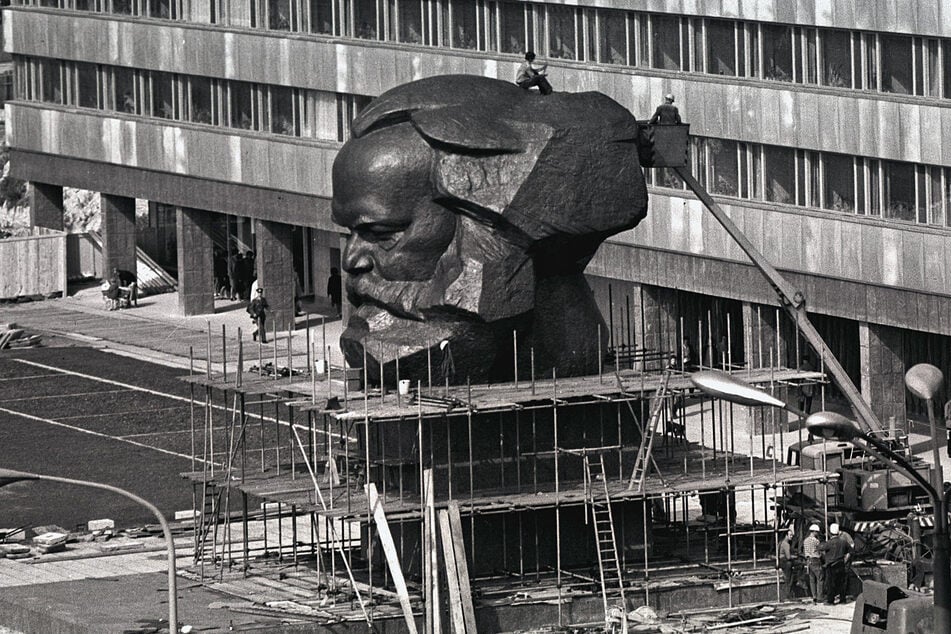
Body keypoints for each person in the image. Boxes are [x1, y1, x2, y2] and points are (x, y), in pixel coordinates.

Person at [331, 75, 647, 383]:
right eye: (351, 233)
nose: (351, 259)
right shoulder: (386, 322)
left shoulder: (496, 248)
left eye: (383, 233)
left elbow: (475, 310)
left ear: (474, 216)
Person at [821, 523, 852, 604]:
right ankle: (842, 600)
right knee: (841, 583)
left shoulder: (828, 543)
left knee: (830, 584)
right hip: (841, 564)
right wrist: (845, 560)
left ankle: (830, 601)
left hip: (831, 565)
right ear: (838, 532)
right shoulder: (843, 541)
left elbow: (821, 549)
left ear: (830, 533)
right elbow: (850, 551)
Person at [803, 523, 824, 604]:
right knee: (820, 579)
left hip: (809, 561)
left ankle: (814, 596)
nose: (818, 533)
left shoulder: (805, 540)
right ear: (814, 531)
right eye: (817, 532)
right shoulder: (816, 541)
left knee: (812, 580)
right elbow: (820, 551)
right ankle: (820, 597)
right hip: (816, 560)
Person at [778, 527, 796, 600]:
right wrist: (794, 557)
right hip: (785, 562)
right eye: (790, 535)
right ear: (786, 535)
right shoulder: (786, 544)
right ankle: (789, 595)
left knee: (787, 578)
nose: (791, 537)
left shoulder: (780, 542)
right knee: (789, 578)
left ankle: (789, 594)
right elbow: (788, 557)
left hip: (781, 560)